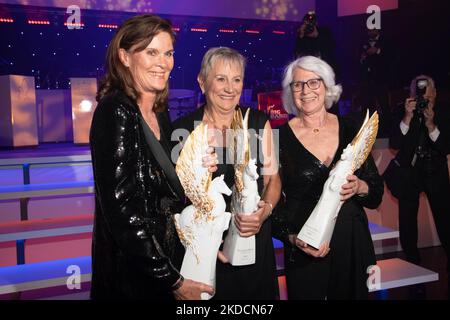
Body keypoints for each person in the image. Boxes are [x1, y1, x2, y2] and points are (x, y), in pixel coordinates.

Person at [89, 14, 214, 300]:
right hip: (134, 277)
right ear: (125, 56)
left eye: (168, 53)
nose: (163, 62)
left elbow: (168, 190)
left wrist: (196, 169)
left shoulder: (159, 112)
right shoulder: (116, 111)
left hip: (165, 259)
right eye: (151, 52)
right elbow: (122, 213)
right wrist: (172, 280)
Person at [172, 47, 281, 300]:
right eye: (220, 79)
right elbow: (176, 197)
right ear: (202, 81)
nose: (229, 88)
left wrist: (264, 212)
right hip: (205, 246)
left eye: (237, 79)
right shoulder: (183, 131)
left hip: (252, 240)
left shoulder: (258, 121)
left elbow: (273, 179)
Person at [271, 56, 384, 299]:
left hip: (352, 243)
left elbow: (375, 192)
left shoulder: (352, 128)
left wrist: (360, 186)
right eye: (298, 84)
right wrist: (292, 237)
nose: (305, 90)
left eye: (313, 82)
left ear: (327, 86)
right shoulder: (276, 137)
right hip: (305, 248)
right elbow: (271, 201)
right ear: (290, 92)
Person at [388, 75, 450, 276]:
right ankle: (412, 261)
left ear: (435, 93)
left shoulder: (444, 111)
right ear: (412, 94)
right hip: (410, 173)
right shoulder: (404, 110)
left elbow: (445, 147)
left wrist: (431, 124)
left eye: (427, 90)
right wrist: (407, 117)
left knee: (445, 217)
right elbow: (394, 144)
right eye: (418, 90)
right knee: (407, 219)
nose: (423, 95)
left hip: (436, 172)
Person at [358, 27, 394, 136]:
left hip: (381, 80)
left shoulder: (386, 42)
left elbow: (391, 58)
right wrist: (362, 58)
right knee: (368, 106)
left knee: (384, 105)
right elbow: (358, 61)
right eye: (368, 30)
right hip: (367, 81)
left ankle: (389, 131)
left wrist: (377, 51)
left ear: (378, 30)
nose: (370, 32)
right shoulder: (363, 42)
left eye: (373, 30)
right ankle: (367, 132)